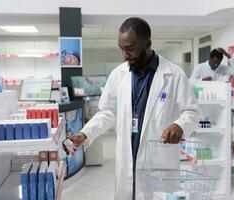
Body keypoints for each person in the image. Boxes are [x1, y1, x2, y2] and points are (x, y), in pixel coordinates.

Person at [63, 17, 199, 200]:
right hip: (128, 159)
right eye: (122, 48)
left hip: (158, 158)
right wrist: (85, 133)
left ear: (147, 43)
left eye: (130, 49)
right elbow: (107, 112)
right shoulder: (118, 75)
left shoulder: (174, 75)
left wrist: (180, 125)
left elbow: (192, 112)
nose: (125, 54)